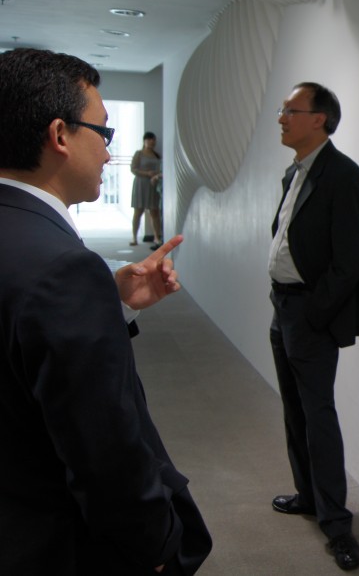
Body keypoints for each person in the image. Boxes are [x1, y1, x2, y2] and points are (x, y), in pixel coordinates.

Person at [0, 48, 212, 575]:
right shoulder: (64, 268)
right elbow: (105, 452)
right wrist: (154, 548)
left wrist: (108, 302)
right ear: (60, 135)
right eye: (103, 132)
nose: (108, 151)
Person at [268, 82, 359, 571]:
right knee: (294, 409)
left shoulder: (344, 176)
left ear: (319, 119)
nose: (281, 118)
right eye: (283, 110)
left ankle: (337, 525)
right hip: (283, 307)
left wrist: (313, 313)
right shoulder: (296, 171)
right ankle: (308, 496)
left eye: (291, 110)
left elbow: (350, 260)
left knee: (318, 417)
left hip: (309, 314)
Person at [130, 131, 163, 249]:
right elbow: (133, 169)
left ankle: (157, 237)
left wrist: (156, 174)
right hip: (140, 184)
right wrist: (147, 173)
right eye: (149, 139)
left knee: (154, 212)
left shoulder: (157, 155)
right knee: (138, 211)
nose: (152, 142)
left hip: (153, 185)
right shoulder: (139, 154)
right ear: (144, 141)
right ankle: (134, 237)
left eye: (153, 139)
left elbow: (162, 169)